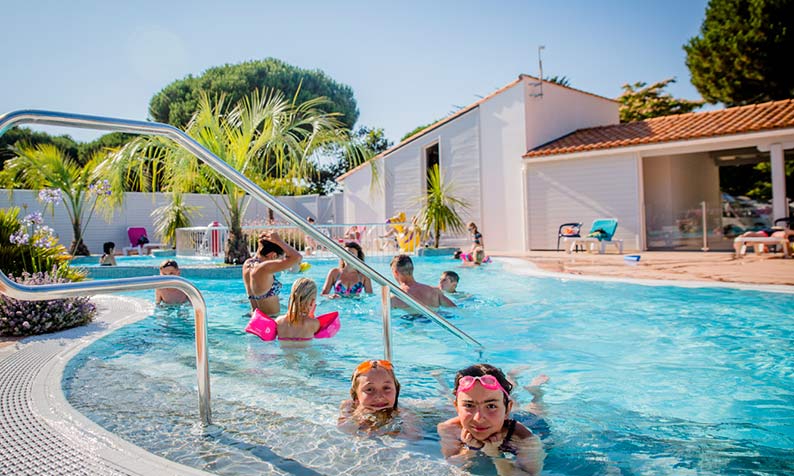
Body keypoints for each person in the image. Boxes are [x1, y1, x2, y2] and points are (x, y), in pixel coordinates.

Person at [437, 364, 545, 475]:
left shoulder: (525, 438)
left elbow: (530, 474)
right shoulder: (449, 428)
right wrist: (471, 449)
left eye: (491, 406)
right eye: (469, 405)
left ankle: (537, 395)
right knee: (504, 396)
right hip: (500, 416)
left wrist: (495, 453)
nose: (478, 418)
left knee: (535, 411)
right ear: (457, 407)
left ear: (508, 409)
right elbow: (451, 465)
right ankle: (511, 378)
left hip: (529, 421)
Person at [338, 359, 419, 437]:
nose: (379, 396)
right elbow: (344, 429)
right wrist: (357, 417)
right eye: (369, 389)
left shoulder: (403, 412)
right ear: (356, 397)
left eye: (386, 388)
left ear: (396, 391)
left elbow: (414, 437)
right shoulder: (349, 406)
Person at [243, 231, 302, 316]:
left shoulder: (248, 264)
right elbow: (297, 257)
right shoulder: (264, 268)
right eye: (280, 258)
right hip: (271, 321)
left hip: (255, 318)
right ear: (273, 255)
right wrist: (279, 241)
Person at [390, 254, 456, 308]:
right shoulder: (435, 292)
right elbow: (455, 309)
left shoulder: (394, 298)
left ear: (395, 272)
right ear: (412, 269)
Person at [273, 278, 321, 348]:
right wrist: (311, 316)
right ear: (312, 302)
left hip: (285, 357)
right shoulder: (314, 323)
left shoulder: (279, 321)